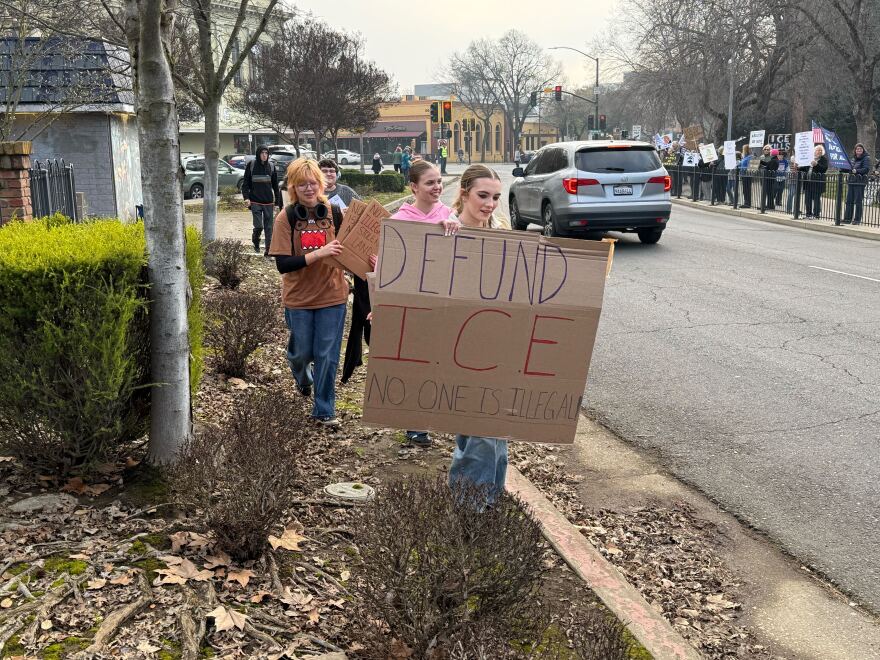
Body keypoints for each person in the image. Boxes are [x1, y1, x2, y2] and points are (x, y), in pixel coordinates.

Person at [268, 159, 347, 428]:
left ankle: (324, 409)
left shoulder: (335, 213)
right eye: (302, 184)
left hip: (333, 296)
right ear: (293, 187)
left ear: (321, 183)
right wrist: (319, 253)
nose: (309, 188)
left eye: (313, 182)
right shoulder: (286, 217)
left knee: (326, 355)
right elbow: (282, 264)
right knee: (302, 352)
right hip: (299, 298)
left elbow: (351, 251)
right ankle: (302, 377)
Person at [445, 164, 508, 501]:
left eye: (496, 197)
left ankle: (490, 503)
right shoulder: (445, 231)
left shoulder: (503, 235)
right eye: (483, 195)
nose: (490, 203)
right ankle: (470, 510)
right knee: (479, 433)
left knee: (496, 435)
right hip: (460, 348)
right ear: (465, 193)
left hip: (498, 348)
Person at [389, 160, 461, 447]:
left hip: (445, 304)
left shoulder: (452, 216)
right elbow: (387, 267)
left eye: (439, 181)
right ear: (414, 187)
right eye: (430, 182)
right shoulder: (399, 222)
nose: (437, 187)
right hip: (413, 305)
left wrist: (456, 230)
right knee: (416, 365)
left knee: (442, 364)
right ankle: (416, 425)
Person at [241, 145, 282, 255]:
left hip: (268, 202)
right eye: (262, 153)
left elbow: (275, 187)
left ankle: (268, 250)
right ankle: (256, 240)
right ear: (258, 154)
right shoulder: (252, 165)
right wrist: (246, 198)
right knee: (259, 226)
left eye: (266, 153)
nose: (264, 155)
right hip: (255, 201)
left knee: (269, 228)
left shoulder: (271, 167)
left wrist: (277, 203)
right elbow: (245, 184)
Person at [844, 143, 871, 225]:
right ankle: (847, 219)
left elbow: (866, 169)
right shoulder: (853, 159)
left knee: (858, 201)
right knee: (849, 201)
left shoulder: (866, 158)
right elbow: (849, 169)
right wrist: (842, 168)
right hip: (851, 181)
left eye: (860, 149)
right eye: (857, 149)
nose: (858, 150)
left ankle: (857, 220)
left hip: (859, 182)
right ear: (855, 150)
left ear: (863, 150)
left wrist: (857, 171)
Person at [804, 145, 828, 218]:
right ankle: (808, 213)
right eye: (818, 150)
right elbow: (804, 168)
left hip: (817, 183)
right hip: (808, 182)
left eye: (821, 150)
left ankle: (816, 214)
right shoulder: (809, 158)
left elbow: (824, 169)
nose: (819, 151)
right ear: (815, 151)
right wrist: (798, 166)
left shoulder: (824, 160)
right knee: (808, 199)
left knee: (816, 199)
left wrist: (816, 164)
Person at [757, 145, 779, 211]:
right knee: (769, 193)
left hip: (769, 178)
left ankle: (770, 206)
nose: (769, 153)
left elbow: (768, 167)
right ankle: (770, 205)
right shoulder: (774, 160)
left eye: (771, 152)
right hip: (770, 178)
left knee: (769, 193)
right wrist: (760, 161)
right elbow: (767, 164)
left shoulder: (773, 161)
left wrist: (764, 168)